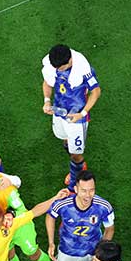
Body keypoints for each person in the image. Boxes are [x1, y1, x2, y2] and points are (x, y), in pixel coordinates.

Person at [41, 44, 101, 190]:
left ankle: (75, 178)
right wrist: (47, 101)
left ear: (70, 61)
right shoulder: (52, 65)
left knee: (76, 154)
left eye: (61, 68)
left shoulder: (84, 69)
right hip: (59, 112)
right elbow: (47, 83)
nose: (58, 71)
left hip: (77, 118)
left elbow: (96, 91)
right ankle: (79, 164)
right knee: (65, 141)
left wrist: (82, 113)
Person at [46, 172, 115, 261]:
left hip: (92, 252)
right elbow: (50, 216)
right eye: (84, 191)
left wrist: (100, 253)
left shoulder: (103, 206)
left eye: (92, 190)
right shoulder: (63, 204)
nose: (88, 195)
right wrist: (51, 242)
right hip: (67, 251)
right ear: (76, 189)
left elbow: (109, 229)